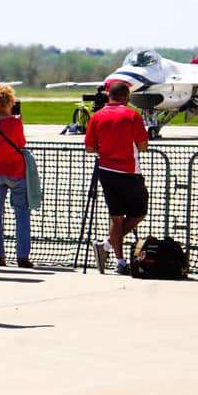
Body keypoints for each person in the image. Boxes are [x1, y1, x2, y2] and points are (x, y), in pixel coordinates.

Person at [85, 81, 149, 275]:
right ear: (126, 97)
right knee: (139, 213)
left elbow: (89, 147)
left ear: (108, 96)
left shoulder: (97, 117)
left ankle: (118, 260)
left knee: (116, 217)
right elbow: (143, 144)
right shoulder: (132, 115)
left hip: (106, 171)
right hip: (129, 171)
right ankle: (106, 245)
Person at [0, 84, 32, 268]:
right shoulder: (15, 122)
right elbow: (21, 143)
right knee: (21, 213)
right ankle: (22, 256)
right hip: (16, 172)